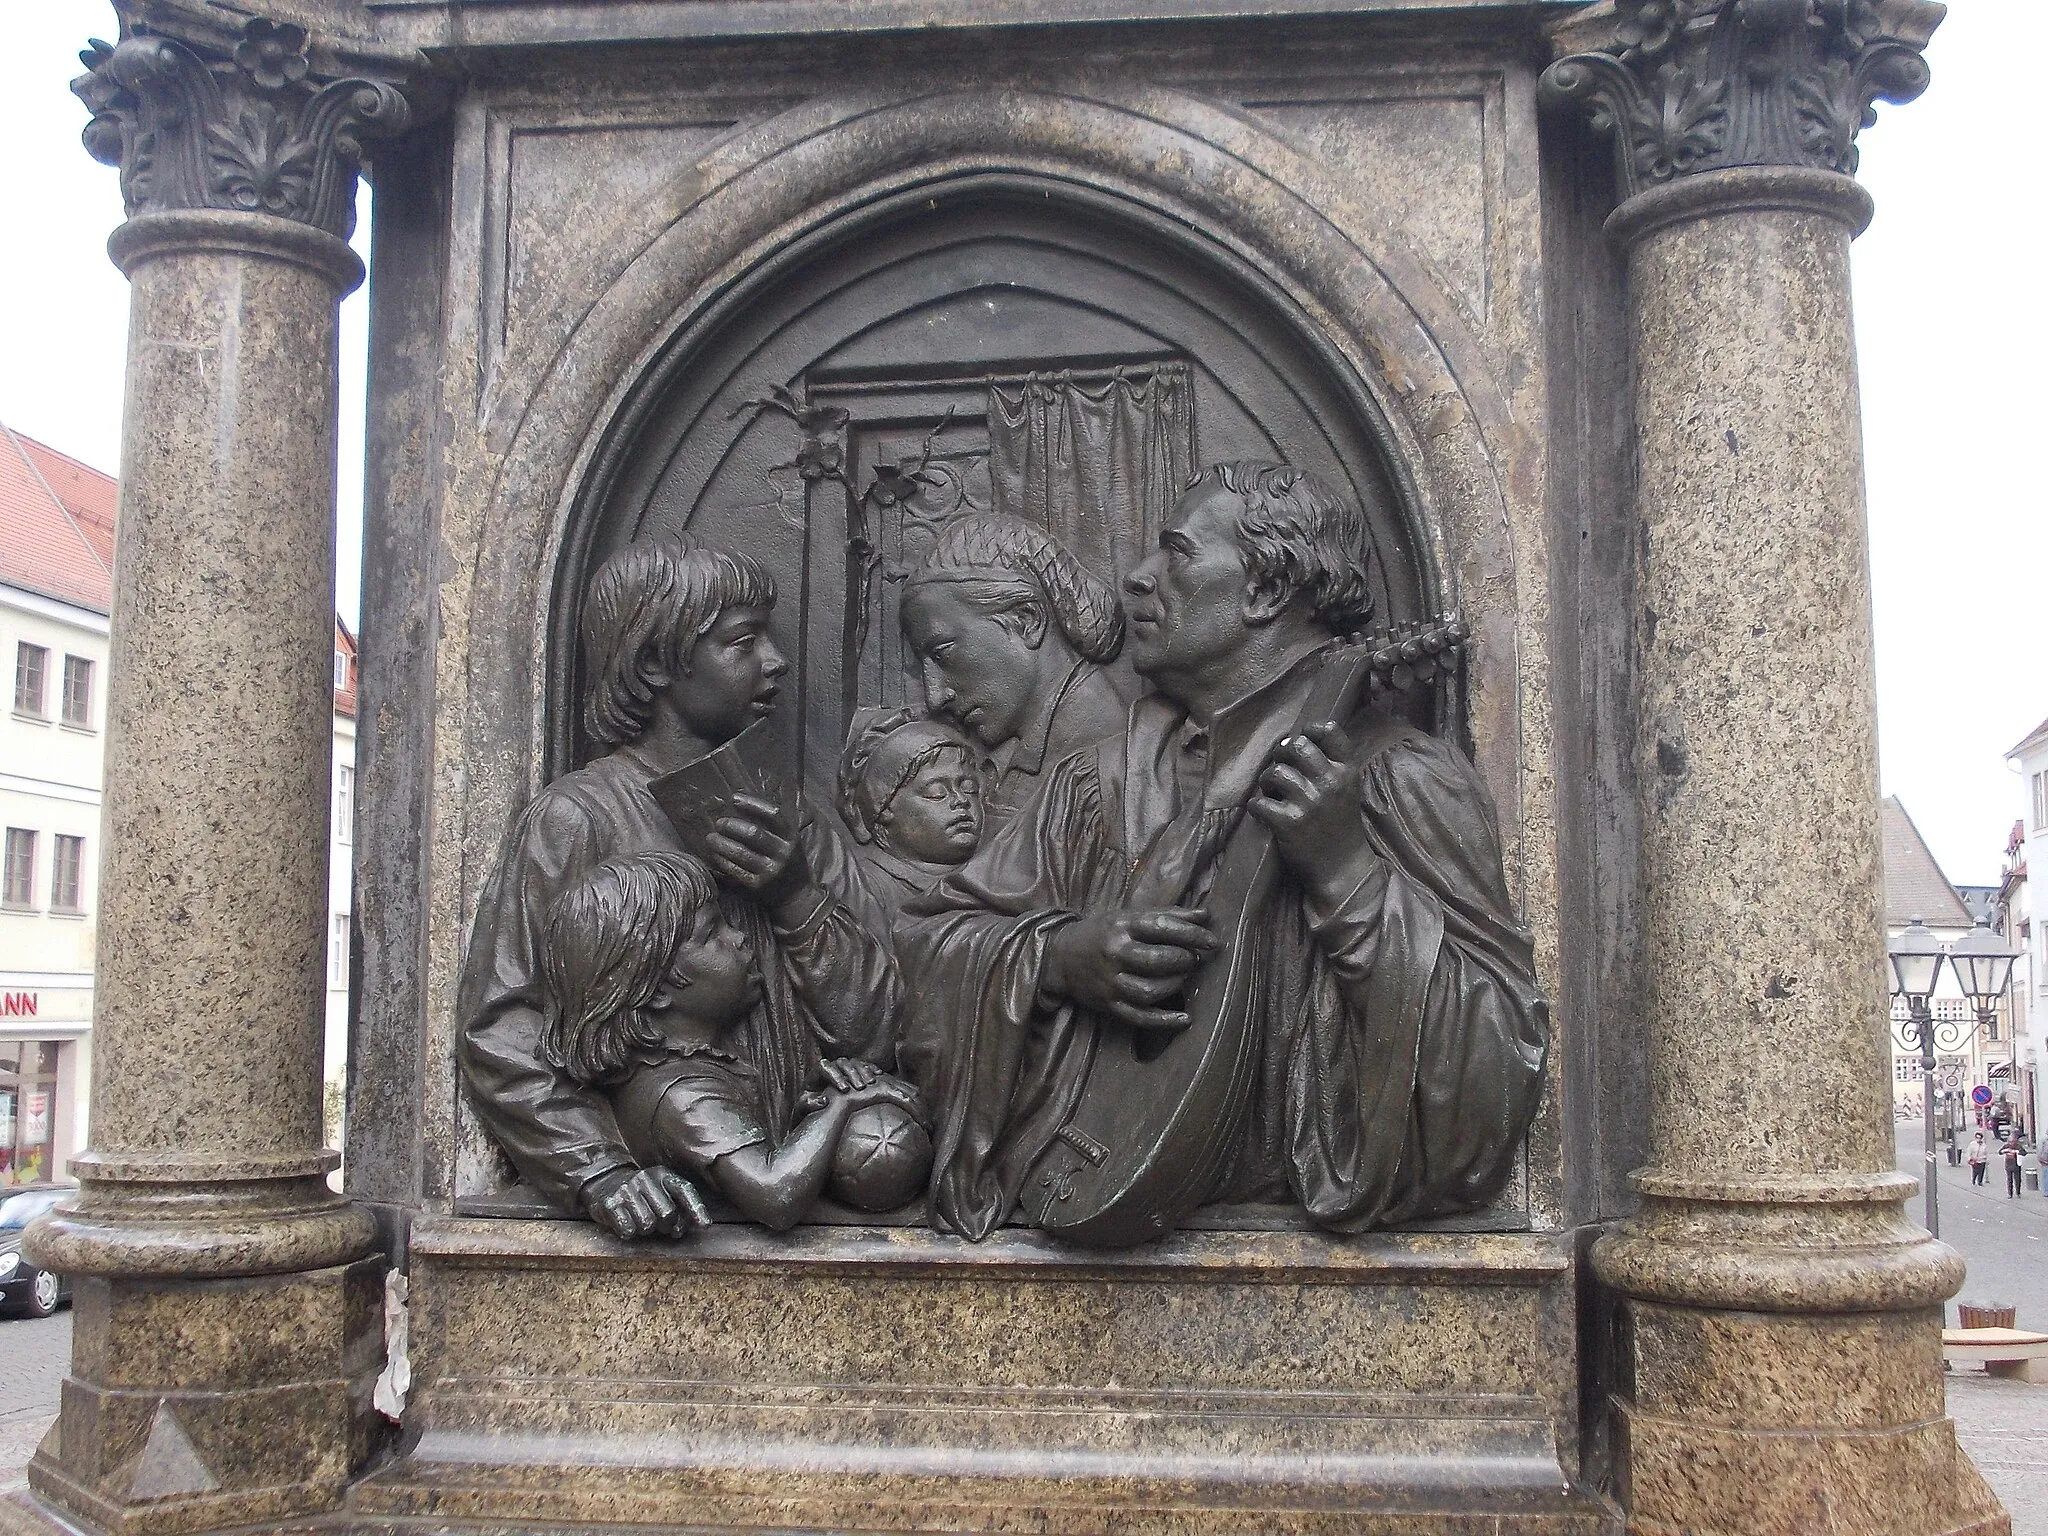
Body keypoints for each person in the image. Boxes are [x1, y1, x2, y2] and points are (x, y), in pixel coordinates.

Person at [900, 460, 1550, 1240]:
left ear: (1266, 592)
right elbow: (927, 947)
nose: (1136, 578)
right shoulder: (1100, 781)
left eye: (1176, 552)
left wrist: (1347, 875)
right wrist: (1058, 957)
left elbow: (1491, 1082)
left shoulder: (1397, 782)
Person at [459, 537, 902, 1240]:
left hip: (813, 1174)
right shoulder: (576, 819)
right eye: (742, 641)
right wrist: (599, 1168)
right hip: (683, 1189)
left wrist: (793, 895)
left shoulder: (793, 818)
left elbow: (875, 1028)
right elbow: (504, 1027)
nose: (775, 660)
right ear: (658, 661)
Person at [538, 851, 925, 1231]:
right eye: (713, 934)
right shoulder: (684, 1095)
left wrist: (812, 1109)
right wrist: (843, 1104)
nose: (739, 937)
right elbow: (774, 1192)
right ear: (656, 990)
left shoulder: (702, 1066)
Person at [900, 514, 1129, 824]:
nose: (935, 697)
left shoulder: (1097, 768)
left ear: (1026, 620)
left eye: (942, 654)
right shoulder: (1019, 758)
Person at [837, 707, 987, 923]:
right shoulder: (862, 888)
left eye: (969, 788)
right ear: (884, 808)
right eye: (937, 793)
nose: (961, 800)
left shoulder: (994, 881)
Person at [2003, 1134, 2025, 1198]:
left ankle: (2018, 1192)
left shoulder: (2018, 1146)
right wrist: (2004, 1151)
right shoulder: (2006, 1146)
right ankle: (2010, 1193)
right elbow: (2000, 1152)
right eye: (2009, 1141)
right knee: (2009, 1180)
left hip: (2016, 1165)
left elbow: (2024, 1153)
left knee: (2017, 1180)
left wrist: (2017, 1152)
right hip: (2008, 1165)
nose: (2011, 1143)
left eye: (2012, 1141)